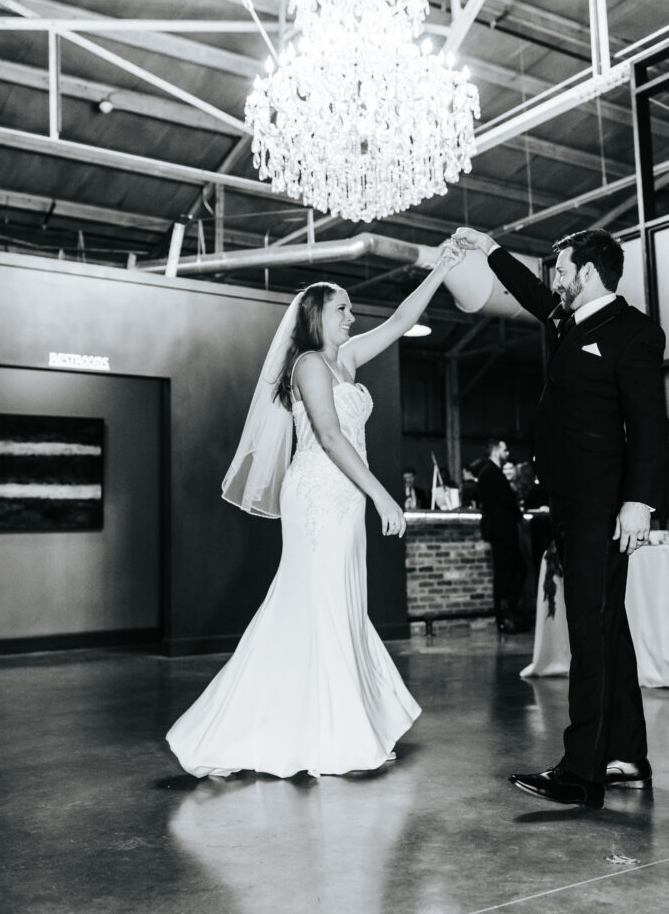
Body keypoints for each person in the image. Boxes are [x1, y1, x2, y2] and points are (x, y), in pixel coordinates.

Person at [166, 241, 464, 779]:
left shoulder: (344, 359)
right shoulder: (306, 363)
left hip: (345, 497)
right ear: (315, 316)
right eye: (342, 308)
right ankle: (323, 735)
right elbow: (327, 435)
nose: (352, 316)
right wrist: (381, 493)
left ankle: (335, 726)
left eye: (351, 308)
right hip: (318, 496)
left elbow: (400, 320)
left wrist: (441, 265)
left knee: (340, 603)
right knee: (319, 602)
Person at [454, 226, 666, 809]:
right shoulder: (568, 319)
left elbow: (650, 423)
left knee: (591, 633)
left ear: (589, 272)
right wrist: (488, 247)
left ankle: (582, 772)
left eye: (563, 269)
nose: (556, 279)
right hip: (572, 505)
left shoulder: (635, 333)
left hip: (605, 506)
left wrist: (639, 501)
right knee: (607, 629)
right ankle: (628, 757)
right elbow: (527, 289)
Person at [477, 440, 527, 634]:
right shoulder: (491, 472)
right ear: (497, 450)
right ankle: (506, 617)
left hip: (501, 531)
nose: (508, 452)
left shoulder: (487, 472)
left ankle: (507, 615)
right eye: (505, 449)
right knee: (508, 573)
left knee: (512, 571)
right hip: (502, 532)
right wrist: (519, 515)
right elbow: (507, 501)